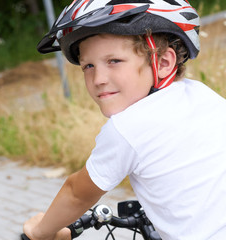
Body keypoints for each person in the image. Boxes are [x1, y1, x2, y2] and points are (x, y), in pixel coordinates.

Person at [23, 0, 226, 239]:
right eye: (88, 65)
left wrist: (41, 232)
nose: (98, 78)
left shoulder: (127, 128)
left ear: (162, 63)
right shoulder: (203, 95)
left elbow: (76, 193)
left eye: (114, 61)